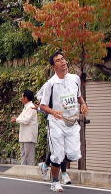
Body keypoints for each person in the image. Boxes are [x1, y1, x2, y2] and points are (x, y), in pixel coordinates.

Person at [40, 51, 88, 192]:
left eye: (63, 59)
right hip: (56, 123)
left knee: (73, 154)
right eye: (59, 60)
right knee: (58, 154)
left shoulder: (75, 79)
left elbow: (79, 96)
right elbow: (43, 105)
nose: (63, 62)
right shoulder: (50, 84)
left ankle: (45, 165)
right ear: (54, 66)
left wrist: (83, 104)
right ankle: (55, 182)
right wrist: (53, 111)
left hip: (72, 122)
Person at [36, 82, 72, 184]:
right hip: (53, 121)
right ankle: (64, 174)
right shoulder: (50, 83)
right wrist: (42, 106)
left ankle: (45, 165)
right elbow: (40, 97)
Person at [11, 90, 38, 166]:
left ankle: (29, 175)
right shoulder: (26, 107)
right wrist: (16, 119)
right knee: (23, 156)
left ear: (25, 98)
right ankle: (23, 175)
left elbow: (26, 120)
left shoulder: (31, 107)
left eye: (22, 96)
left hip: (29, 137)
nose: (21, 98)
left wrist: (16, 119)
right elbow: (21, 118)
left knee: (29, 158)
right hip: (24, 136)